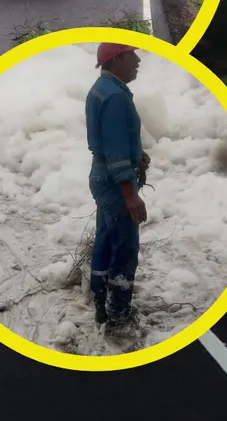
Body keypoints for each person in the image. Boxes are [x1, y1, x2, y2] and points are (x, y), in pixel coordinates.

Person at [84, 43, 151, 329]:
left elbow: (114, 138)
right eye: (132, 55)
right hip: (114, 183)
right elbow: (114, 150)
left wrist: (139, 155)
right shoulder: (116, 97)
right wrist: (130, 195)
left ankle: (101, 302)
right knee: (125, 248)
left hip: (101, 176)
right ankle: (118, 313)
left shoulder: (100, 88)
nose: (137, 61)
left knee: (106, 239)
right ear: (117, 58)